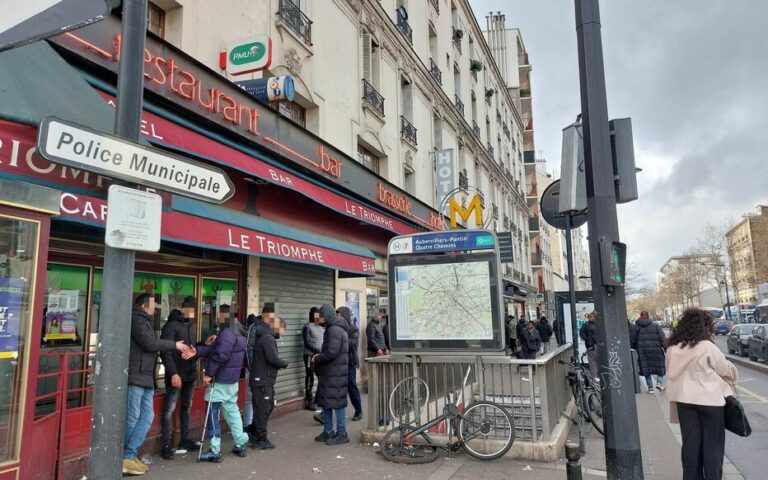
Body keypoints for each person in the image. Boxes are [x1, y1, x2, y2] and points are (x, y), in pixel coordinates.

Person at [666, 308, 738, 480]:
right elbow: (724, 368)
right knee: (712, 447)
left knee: (690, 446)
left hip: (684, 401)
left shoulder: (672, 347)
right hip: (710, 401)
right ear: (704, 326)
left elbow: (668, 370)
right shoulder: (706, 346)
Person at [124, 294, 190, 476]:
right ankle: (126, 457)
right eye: (153, 305)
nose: (156, 309)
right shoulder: (136, 320)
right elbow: (149, 343)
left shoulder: (144, 320)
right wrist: (174, 345)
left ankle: (130, 454)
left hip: (145, 375)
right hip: (136, 374)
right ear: (144, 305)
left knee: (147, 416)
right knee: (133, 416)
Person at [193, 322, 250, 463]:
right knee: (232, 410)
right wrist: (198, 350)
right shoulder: (240, 334)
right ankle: (241, 442)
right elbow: (219, 351)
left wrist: (209, 374)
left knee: (212, 414)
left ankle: (214, 450)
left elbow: (220, 355)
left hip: (220, 381)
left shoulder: (227, 334)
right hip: (232, 380)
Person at [159, 307, 199, 460]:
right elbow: (165, 351)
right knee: (169, 410)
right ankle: (166, 445)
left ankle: (184, 440)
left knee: (186, 409)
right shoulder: (170, 326)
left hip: (190, 375)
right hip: (175, 375)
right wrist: (173, 373)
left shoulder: (191, 326)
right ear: (183, 310)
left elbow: (192, 349)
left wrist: (202, 344)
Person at [246, 310, 288, 449]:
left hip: (264, 379)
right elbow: (272, 359)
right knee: (263, 409)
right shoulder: (267, 338)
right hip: (262, 379)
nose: (283, 334)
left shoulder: (266, 337)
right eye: (283, 329)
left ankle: (252, 431)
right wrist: (284, 363)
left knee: (267, 406)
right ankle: (260, 439)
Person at [311, 304, 349, 445]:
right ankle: (328, 432)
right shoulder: (336, 328)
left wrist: (317, 357)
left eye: (321, 317)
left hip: (335, 372)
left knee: (337, 403)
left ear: (326, 316)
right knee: (326, 402)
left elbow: (331, 353)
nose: (319, 320)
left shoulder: (334, 330)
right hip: (332, 372)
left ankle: (341, 433)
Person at [336, 306, 363, 421]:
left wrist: (341, 338)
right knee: (335, 387)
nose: (338, 317)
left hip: (349, 363)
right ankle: (324, 413)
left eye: (340, 315)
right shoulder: (336, 328)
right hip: (337, 363)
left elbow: (352, 344)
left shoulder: (353, 329)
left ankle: (358, 410)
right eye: (337, 315)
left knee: (352, 387)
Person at [630, 311, 667, 393]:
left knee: (646, 368)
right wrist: (666, 348)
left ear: (640, 316)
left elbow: (632, 340)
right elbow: (662, 338)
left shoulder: (636, 327)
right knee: (660, 367)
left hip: (642, 351)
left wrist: (633, 348)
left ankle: (650, 388)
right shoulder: (656, 326)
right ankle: (659, 383)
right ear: (648, 316)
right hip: (656, 350)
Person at [303, 307, 324, 410]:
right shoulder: (307, 326)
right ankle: (309, 400)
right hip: (309, 355)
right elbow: (306, 342)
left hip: (319, 356)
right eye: (315, 315)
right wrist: (317, 351)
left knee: (321, 375)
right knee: (310, 375)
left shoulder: (321, 327)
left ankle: (318, 398)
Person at [579, 312, 598, 381]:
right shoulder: (586, 324)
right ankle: (594, 376)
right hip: (591, 345)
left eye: (592, 316)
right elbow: (581, 332)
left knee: (598, 360)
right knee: (592, 361)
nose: (591, 318)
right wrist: (587, 340)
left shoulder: (597, 323)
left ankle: (598, 375)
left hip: (599, 344)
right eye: (590, 317)